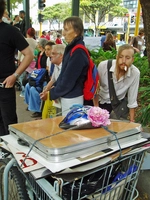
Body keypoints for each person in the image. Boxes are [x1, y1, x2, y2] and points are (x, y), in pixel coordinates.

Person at [0, 0, 34, 136]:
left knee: (8, 122)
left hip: (5, 84)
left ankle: (11, 152)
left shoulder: (11, 31)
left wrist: (15, 75)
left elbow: (29, 54)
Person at [49, 16, 89, 116]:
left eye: (66, 29)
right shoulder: (72, 48)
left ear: (76, 32)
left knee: (70, 127)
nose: (63, 33)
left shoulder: (78, 52)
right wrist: (53, 89)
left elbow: (68, 80)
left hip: (73, 98)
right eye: (64, 29)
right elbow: (64, 74)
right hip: (68, 96)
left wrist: (52, 93)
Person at [94, 44, 140, 122]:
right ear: (117, 57)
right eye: (121, 57)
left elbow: (132, 99)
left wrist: (132, 121)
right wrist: (96, 109)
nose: (123, 61)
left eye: (127, 58)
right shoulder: (103, 66)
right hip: (100, 102)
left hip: (116, 106)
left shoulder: (135, 73)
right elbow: (95, 90)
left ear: (132, 60)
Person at [24, 40, 55, 118]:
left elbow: (50, 73)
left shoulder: (50, 58)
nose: (46, 51)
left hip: (45, 79)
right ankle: (31, 105)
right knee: (28, 85)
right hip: (40, 77)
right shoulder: (44, 56)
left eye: (48, 49)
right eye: (46, 49)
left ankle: (38, 110)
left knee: (33, 89)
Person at [40, 44, 66, 112]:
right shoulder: (56, 65)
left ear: (61, 56)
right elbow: (52, 80)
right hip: (57, 95)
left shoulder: (65, 68)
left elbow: (60, 85)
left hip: (63, 97)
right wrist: (45, 91)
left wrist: (48, 93)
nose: (51, 55)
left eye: (53, 53)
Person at [18, 27, 38, 97]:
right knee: (30, 76)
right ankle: (29, 90)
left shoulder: (24, 40)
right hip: (32, 61)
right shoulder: (35, 41)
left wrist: (19, 59)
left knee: (21, 77)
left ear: (27, 33)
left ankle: (23, 92)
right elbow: (36, 51)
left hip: (24, 60)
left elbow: (20, 51)